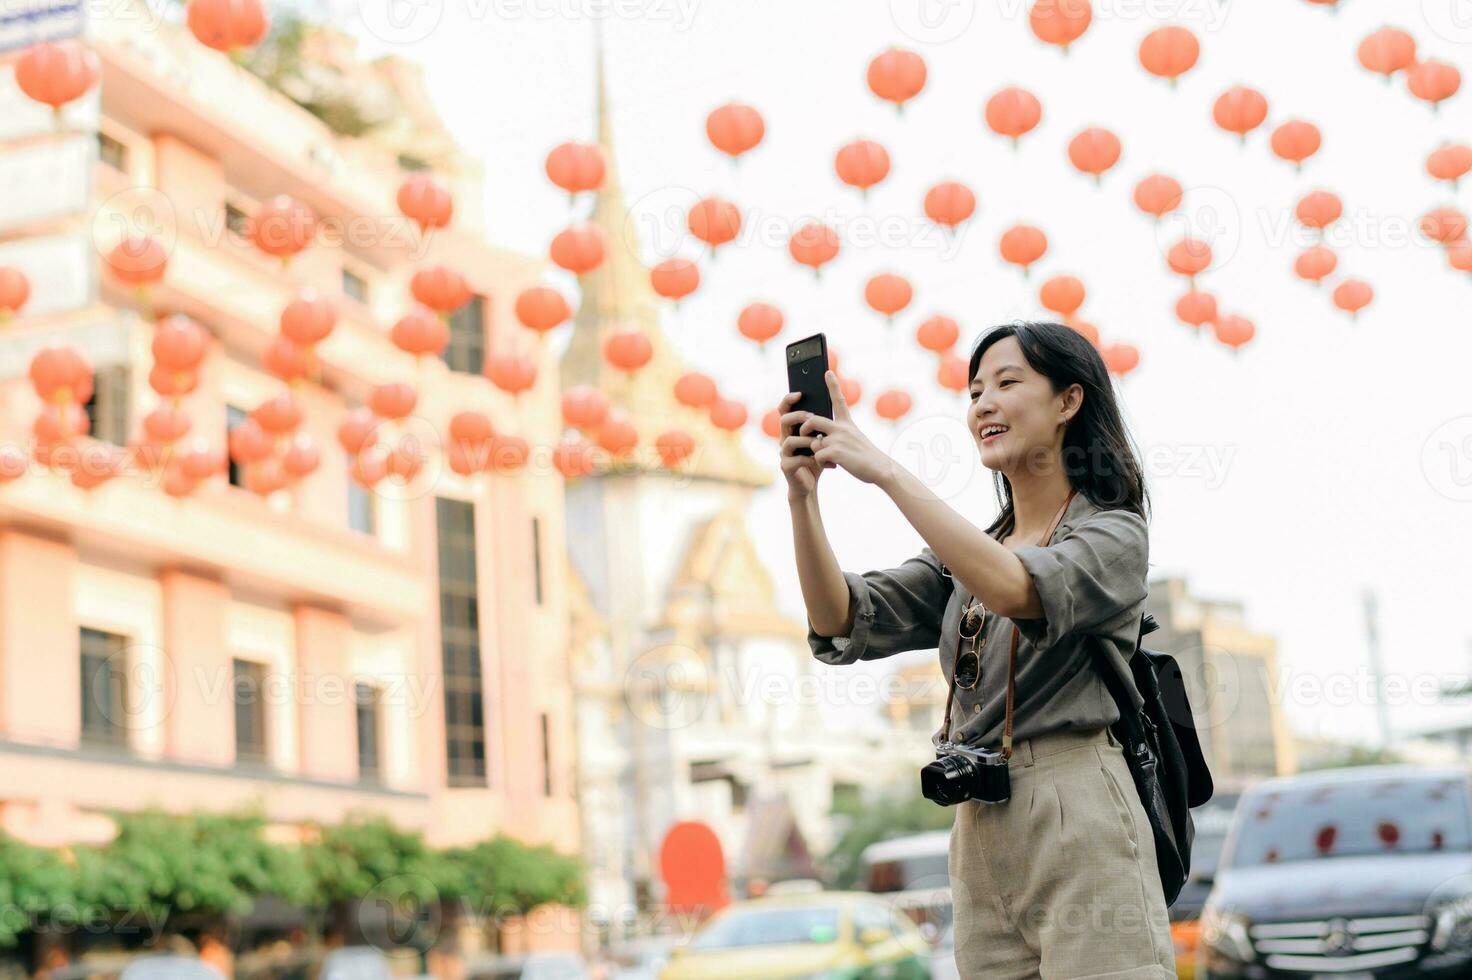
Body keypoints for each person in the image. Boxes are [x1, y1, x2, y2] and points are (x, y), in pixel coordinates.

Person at [780, 321, 1174, 979]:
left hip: (1077, 804)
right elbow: (840, 617)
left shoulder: (1114, 533)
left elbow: (1017, 586)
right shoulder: (966, 555)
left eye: (1007, 383)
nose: (983, 403)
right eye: (974, 391)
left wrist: (884, 470)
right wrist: (802, 500)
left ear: (1068, 402)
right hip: (979, 821)